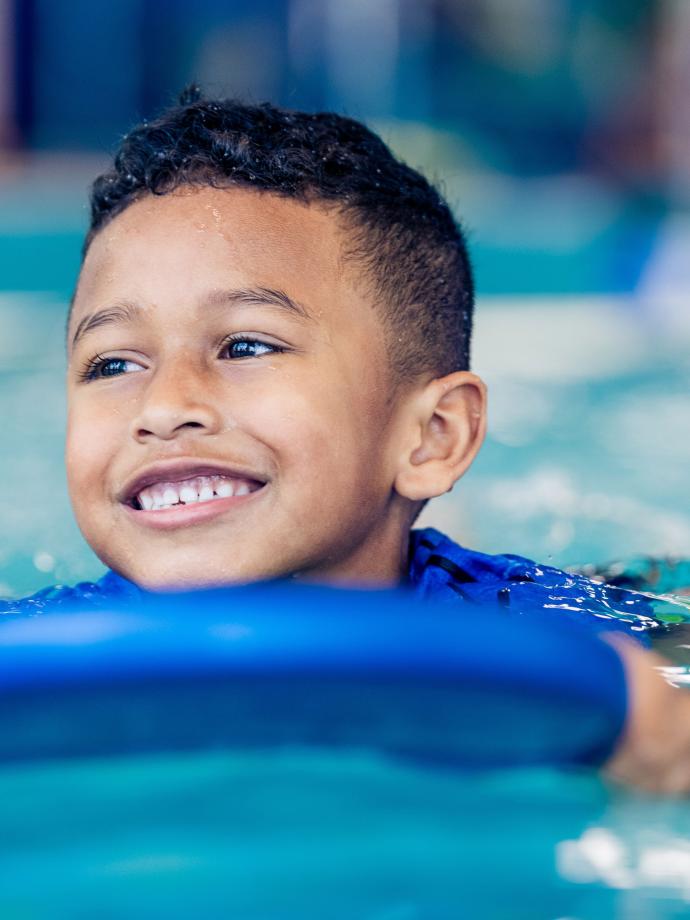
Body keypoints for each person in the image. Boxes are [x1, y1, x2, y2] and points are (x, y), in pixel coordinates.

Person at [3, 88, 690, 792]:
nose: (164, 406)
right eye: (112, 364)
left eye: (244, 346)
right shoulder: (31, 644)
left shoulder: (572, 633)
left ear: (433, 436)